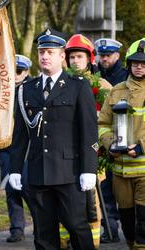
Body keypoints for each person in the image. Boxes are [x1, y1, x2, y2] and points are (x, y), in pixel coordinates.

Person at [9, 28, 98, 250]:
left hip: (69, 172)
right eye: (41, 52)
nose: (44, 57)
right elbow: (20, 135)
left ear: (62, 56)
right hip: (38, 173)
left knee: (77, 226)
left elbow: (89, 131)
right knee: (43, 232)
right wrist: (15, 168)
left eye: (50, 52)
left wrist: (89, 169)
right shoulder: (27, 90)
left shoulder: (78, 86)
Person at [63, 34, 113, 249]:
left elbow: (110, 121)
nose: (75, 61)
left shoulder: (103, 86)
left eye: (79, 56)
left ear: (89, 59)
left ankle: (92, 242)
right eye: (72, 57)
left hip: (94, 152)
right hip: (65, 154)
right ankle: (64, 240)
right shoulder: (60, 83)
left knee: (91, 201)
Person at [98, 38, 145, 250]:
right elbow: (103, 124)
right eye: (135, 62)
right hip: (120, 170)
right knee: (127, 223)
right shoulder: (116, 91)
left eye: (144, 63)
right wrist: (110, 144)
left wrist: (142, 146)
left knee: (143, 222)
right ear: (128, 63)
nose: (139, 66)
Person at [94, 38, 125, 243]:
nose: (104, 59)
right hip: (100, 139)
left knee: (122, 188)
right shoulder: (94, 76)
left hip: (122, 138)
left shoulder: (126, 76)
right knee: (104, 188)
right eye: (101, 55)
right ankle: (110, 228)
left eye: (108, 55)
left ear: (117, 56)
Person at [0, 54, 32, 242]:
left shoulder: (32, 88)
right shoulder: (4, 90)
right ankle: (16, 229)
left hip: (26, 148)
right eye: (13, 70)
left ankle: (41, 224)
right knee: (11, 189)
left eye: (19, 71)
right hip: (6, 147)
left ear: (26, 72)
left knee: (28, 187)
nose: (16, 75)